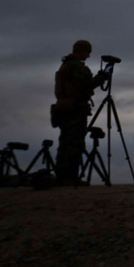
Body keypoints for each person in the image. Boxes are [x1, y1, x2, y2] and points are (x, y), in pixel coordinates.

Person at [52, 40, 108, 186]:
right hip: (75, 110)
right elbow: (86, 85)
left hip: (63, 109)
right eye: (87, 52)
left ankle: (62, 177)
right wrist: (102, 77)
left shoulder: (65, 65)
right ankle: (70, 178)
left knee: (64, 143)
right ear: (81, 51)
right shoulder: (76, 67)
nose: (88, 56)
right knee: (75, 143)